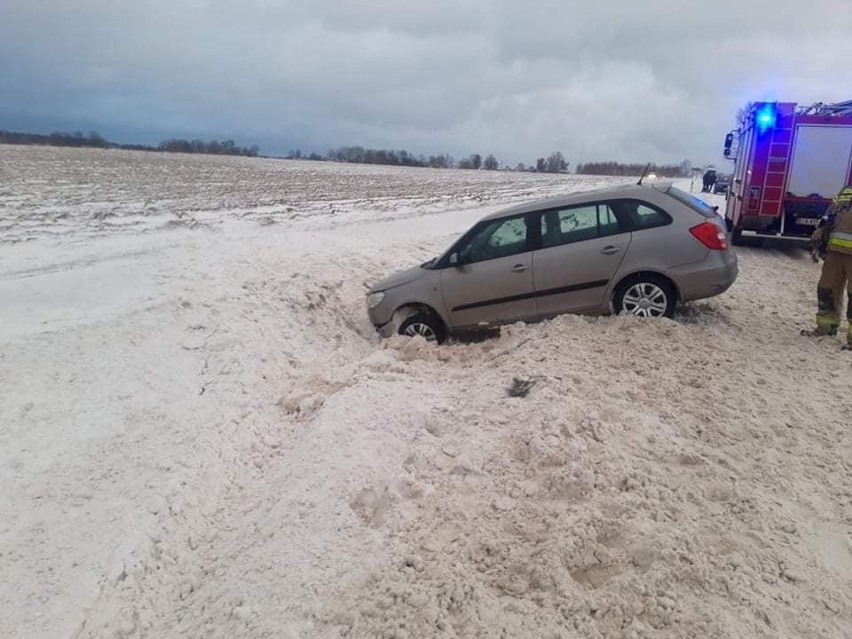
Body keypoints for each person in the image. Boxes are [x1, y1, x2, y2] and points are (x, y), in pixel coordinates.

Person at [801, 184, 852, 349]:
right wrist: (820, 230)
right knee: (826, 289)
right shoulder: (846, 191)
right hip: (835, 252)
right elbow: (830, 214)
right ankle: (826, 328)